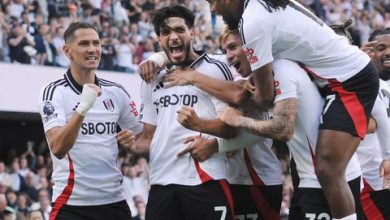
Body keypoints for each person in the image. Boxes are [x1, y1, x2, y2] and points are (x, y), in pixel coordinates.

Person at [208, 1, 379, 219]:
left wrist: (235, 115)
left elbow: (265, 100)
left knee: (328, 170)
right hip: (341, 78)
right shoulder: (261, 11)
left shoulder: (253, 23)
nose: (212, 10)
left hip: (350, 81)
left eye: (212, 1)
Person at [141, 27, 284, 219]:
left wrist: (214, 145)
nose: (229, 56)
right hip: (226, 177)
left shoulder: (256, 79)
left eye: (233, 47)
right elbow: (183, 54)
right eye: (225, 50)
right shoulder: (222, 65)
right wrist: (156, 59)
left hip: (255, 179)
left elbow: (262, 127)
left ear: (251, 47)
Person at [132, 5, 235, 220]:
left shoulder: (216, 67)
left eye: (180, 29)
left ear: (193, 32)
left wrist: (201, 127)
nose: (173, 36)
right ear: (159, 39)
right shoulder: (152, 79)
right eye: (165, 32)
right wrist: (129, 144)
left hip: (205, 178)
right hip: (161, 183)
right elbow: (149, 138)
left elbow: (232, 126)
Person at [38, 22, 143, 220]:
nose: (92, 49)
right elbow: (58, 148)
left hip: (114, 202)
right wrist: (83, 108)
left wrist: (134, 146)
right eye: (84, 43)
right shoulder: (53, 92)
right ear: (67, 51)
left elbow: (144, 140)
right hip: (71, 204)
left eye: (96, 43)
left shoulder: (117, 92)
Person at [357, 28, 390, 219]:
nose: (388, 52)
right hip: (371, 181)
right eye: (381, 47)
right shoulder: (359, 83)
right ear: (370, 51)